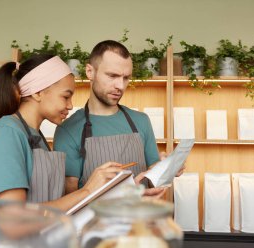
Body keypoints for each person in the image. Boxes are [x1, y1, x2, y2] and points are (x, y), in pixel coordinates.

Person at [0, 53, 126, 212]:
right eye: (66, 96)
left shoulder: (36, 135)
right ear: (37, 92)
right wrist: (87, 190)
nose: (70, 106)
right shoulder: (5, 134)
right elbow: (13, 218)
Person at [54, 40, 178, 195]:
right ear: (90, 72)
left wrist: (167, 170)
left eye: (126, 78)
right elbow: (70, 200)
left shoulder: (141, 121)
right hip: (94, 219)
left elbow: (153, 183)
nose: (120, 85)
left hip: (139, 218)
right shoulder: (68, 130)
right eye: (112, 75)